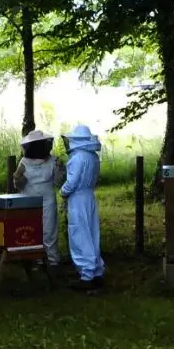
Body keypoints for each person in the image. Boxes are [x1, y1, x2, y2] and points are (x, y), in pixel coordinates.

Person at [60, 124, 105, 289]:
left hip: (77, 198)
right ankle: (97, 271)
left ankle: (86, 275)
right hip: (89, 196)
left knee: (80, 234)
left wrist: (63, 192)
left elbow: (72, 182)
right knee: (93, 233)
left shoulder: (77, 157)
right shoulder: (93, 157)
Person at [14, 129, 65, 267]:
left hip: (47, 200)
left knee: (49, 231)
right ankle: (36, 259)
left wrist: (60, 170)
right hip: (28, 200)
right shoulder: (24, 162)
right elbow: (17, 184)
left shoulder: (53, 161)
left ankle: (52, 260)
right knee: (32, 229)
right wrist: (18, 178)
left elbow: (58, 183)